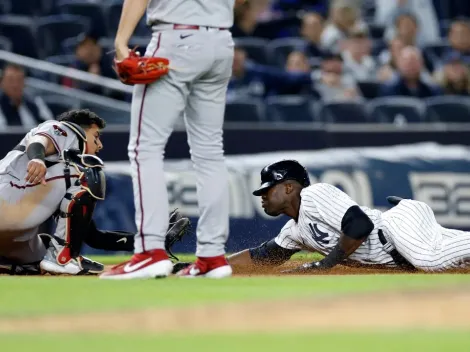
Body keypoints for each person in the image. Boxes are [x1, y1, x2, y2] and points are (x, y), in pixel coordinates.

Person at [100, 0, 246, 280]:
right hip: (221, 41)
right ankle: (212, 256)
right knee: (210, 152)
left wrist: (120, 41)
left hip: (177, 37)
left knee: (146, 147)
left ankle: (149, 252)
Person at [0, 109, 190, 276]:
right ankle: (61, 258)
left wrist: (152, 242)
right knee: (88, 172)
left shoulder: (57, 185)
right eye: (96, 136)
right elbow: (39, 140)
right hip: (6, 195)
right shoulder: (65, 128)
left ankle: (52, 257)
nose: (99, 145)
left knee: (41, 260)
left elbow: (94, 237)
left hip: (12, 236)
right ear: (84, 129)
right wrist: (37, 159)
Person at [226, 159, 470, 273]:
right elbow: (261, 258)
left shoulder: (314, 195)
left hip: (397, 228)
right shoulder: (294, 231)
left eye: (268, 189)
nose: (263, 195)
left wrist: (324, 264)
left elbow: (360, 224)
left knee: (429, 261)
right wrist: (201, 267)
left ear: (289, 187)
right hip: (405, 243)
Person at [0, 64, 53, 129]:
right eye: (10, 80)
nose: (15, 85)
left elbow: (50, 128)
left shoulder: (36, 103)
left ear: (24, 83)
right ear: (2, 83)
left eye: (19, 80)